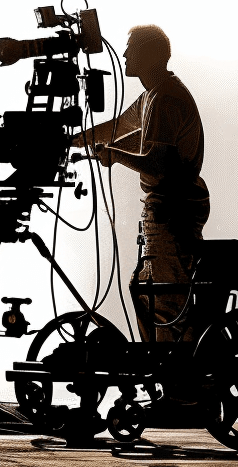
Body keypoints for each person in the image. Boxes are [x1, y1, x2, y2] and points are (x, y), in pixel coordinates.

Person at [71, 24, 209, 342]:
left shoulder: (166, 99)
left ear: (148, 55)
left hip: (173, 207)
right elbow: (121, 126)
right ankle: (162, 374)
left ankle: (182, 385)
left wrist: (116, 155)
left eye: (130, 49)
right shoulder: (153, 96)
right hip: (165, 207)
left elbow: (158, 164)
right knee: (146, 291)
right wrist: (76, 139)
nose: (123, 55)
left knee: (168, 298)